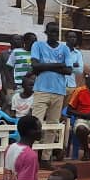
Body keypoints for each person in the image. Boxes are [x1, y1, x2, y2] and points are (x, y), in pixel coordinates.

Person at [30, 22, 72, 169]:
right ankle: (32, 157)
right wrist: (58, 65)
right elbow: (35, 66)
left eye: (56, 32)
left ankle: (46, 158)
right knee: (35, 124)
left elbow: (68, 70)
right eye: (52, 32)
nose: (54, 34)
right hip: (41, 90)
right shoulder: (38, 45)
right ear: (46, 32)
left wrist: (45, 66)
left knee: (53, 126)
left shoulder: (65, 48)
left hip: (59, 91)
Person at [0, 115, 42, 180]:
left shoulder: (10, 148)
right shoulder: (30, 155)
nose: (41, 131)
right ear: (31, 132)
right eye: (39, 128)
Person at [63, 31, 85, 100]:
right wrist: (73, 65)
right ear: (66, 38)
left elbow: (80, 70)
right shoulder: (60, 50)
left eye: (74, 37)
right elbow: (56, 66)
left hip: (71, 85)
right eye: (70, 37)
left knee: (67, 109)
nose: (73, 39)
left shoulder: (78, 53)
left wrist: (65, 67)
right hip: (59, 85)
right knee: (57, 109)